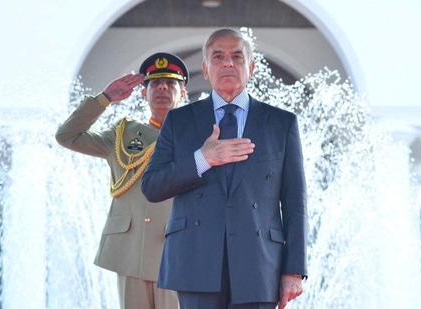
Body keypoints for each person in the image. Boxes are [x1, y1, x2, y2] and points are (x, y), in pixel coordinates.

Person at [141, 28, 308, 309]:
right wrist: (202, 159)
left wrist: (293, 270)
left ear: (251, 68)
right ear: (205, 69)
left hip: (259, 264)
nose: (228, 63)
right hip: (195, 262)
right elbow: (152, 187)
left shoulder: (282, 123)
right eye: (218, 57)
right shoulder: (178, 121)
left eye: (237, 57)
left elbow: (295, 202)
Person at [55, 52, 189, 309]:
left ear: (182, 93)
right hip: (131, 250)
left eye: (171, 83)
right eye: (154, 83)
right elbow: (67, 136)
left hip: (177, 250)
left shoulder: (199, 135)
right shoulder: (122, 133)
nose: (162, 87)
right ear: (143, 93)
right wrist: (104, 99)